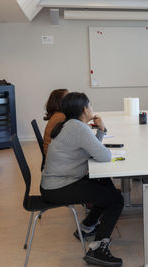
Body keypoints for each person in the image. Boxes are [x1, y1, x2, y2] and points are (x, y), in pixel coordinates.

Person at [40, 92, 124, 266]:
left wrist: (100, 131)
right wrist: (101, 130)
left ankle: (87, 226)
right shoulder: (78, 128)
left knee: (105, 185)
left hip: (55, 183)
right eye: (91, 104)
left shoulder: (70, 125)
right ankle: (98, 250)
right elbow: (104, 156)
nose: (92, 108)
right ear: (85, 109)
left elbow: (93, 150)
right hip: (58, 188)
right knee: (116, 200)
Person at [43, 88, 69, 156]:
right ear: (60, 102)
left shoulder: (58, 114)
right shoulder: (61, 116)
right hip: (54, 156)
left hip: (52, 152)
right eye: (68, 97)